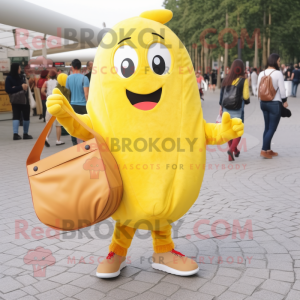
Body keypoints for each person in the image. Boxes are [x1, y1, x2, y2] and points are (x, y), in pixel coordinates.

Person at [257, 53, 288, 159]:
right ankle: (263, 150)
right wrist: (285, 101)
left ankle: (268, 149)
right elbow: (282, 90)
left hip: (263, 103)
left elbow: (258, 88)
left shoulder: (261, 73)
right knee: (272, 128)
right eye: (279, 61)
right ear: (275, 61)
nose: (279, 62)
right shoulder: (278, 73)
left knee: (267, 127)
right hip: (275, 103)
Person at [219, 59, 250, 161]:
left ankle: (234, 151)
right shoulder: (243, 80)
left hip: (226, 109)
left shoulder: (226, 79)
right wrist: (247, 101)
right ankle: (231, 150)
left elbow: (222, 95)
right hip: (237, 108)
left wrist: (221, 108)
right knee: (238, 131)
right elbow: (245, 96)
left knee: (228, 130)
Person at [5, 63, 33, 140]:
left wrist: (16, 87)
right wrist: (20, 87)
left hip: (17, 100)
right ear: (16, 69)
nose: (20, 69)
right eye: (19, 68)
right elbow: (8, 89)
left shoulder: (12, 77)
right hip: (22, 100)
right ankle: (25, 134)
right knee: (24, 117)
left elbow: (10, 89)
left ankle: (16, 134)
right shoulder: (13, 78)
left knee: (17, 116)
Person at [66, 59, 90, 145]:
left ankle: (75, 144)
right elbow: (86, 94)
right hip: (83, 106)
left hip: (72, 105)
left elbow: (67, 93)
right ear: (81, 67)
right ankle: (85, 144)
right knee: (85, 126)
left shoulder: (68, 78)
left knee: (74, 126)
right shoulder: (84, 78)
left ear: (72, 67)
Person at [41, 70, 65, 146]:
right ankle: (58, 141)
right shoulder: (58, 83)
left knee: (48, 123)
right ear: (56, 76)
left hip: (49, 103)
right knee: (58, 124)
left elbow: (42, 91)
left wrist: (47, 95)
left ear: (49, 76)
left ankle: (46, 138)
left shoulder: (46, 82)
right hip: (57, 103)